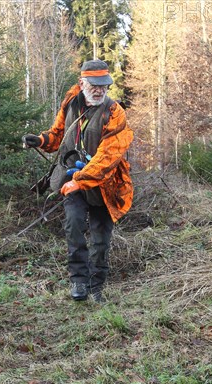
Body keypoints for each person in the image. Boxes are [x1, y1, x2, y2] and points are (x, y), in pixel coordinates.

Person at [22, 60, 134, 303]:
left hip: (105, 186)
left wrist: (80, 180)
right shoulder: (71, 101)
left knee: (100, 239)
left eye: (103, 85)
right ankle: (79, 282)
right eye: (94, 85)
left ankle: (97, 288)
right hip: (72, 179)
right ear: (82, 83)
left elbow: (107, 157)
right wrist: (40, 140)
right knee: (73, 228)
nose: (99, 90)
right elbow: (57, 135)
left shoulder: (115, 113)